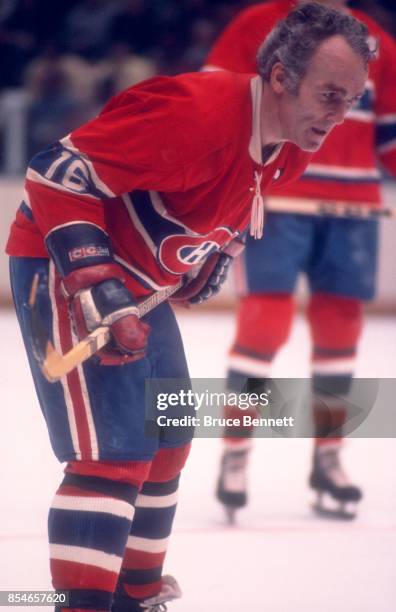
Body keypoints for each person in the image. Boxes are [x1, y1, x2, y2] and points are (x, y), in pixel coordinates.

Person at [6, 4, 371, 610]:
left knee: (170, 434)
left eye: (352, 97)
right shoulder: (196, 112)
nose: (341, 115)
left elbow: (230, 198)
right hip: (64, 268)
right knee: (114, 453)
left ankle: (134, 592)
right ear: (280, 77)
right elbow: (54, 175)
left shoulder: (292, 145)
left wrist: (215, 252)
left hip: (142, 288)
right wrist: (97, 283)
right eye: (329, 94)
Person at [204, 0, 396, 521]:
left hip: (352, 205)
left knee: (342, 332)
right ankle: (235, 452)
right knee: (265, 327)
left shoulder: (377, 38)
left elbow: (390, 135)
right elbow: (218, 102)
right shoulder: (257, 21)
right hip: (278, 195)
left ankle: (329, 455)